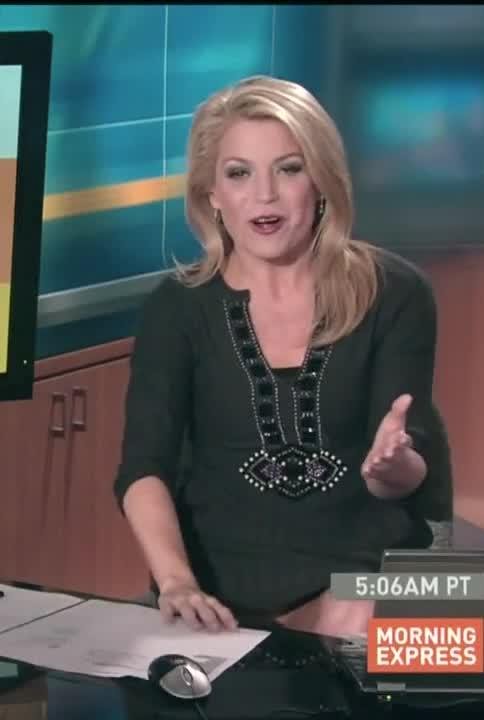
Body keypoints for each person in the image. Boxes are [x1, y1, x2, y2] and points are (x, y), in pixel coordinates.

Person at [113, 75, 452, 637]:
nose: (264, 194)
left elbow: (406, 472)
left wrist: (393, 467)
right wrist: (176, 583)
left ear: (320, 182)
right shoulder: (177, 308)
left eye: (289, 169)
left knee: (425, 640)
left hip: (374, 570)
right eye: (239, 173)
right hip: (224, 593)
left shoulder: (395, 291)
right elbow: (143, 469)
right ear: (211, 194)